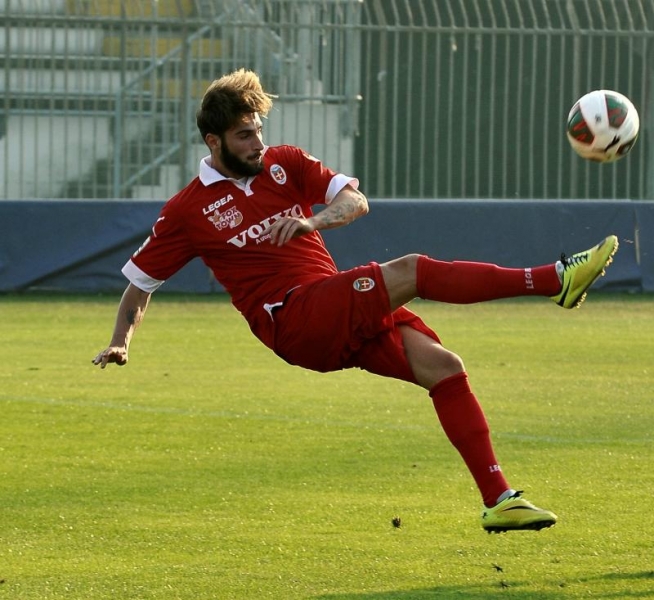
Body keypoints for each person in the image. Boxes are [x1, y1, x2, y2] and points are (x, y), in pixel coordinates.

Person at [93, 68, 619, 534]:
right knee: (411, 270)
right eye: (243, 135)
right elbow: (140, 283)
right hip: (291, 319)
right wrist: (121, 341)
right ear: (214, 141)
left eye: (258, 130)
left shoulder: (285, 163)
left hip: (332, 308)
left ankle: (499, 501)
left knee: (444, 367)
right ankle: (553, 280)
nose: (257, 143)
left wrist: (313, 221)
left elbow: (354, 201)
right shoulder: (188, 210)